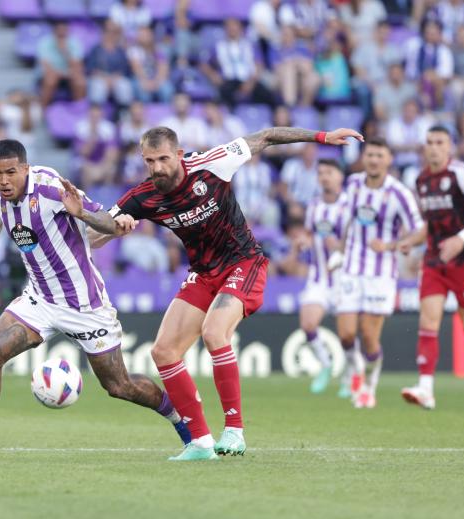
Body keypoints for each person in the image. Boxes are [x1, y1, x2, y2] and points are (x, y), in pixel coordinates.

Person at [94, 125, 363, 460]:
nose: (157, 167)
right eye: (150, 161)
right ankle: (201, 442)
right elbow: (98, 232)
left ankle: (234, 431)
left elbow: (265, 136)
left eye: (163, 158)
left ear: (179, 154)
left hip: (244, 263)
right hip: (204, 273)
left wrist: (321, 137)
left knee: (214, 332)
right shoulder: (143, 196)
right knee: (163, 351)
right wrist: (114, 228)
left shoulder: (212, 163)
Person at [0, 139, 191, 461]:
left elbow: (107, 222)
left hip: (84, 306)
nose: (4, 180)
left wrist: (82, 214)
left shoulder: (51, 188)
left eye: (10, 172)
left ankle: (183, 421)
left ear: (25, 168)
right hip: (40, 299)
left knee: (120, 386)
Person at [400, 126, 464, 411]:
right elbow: (430, 225)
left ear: (449, 147)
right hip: (434, 260)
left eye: (439, 142)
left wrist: (461, 239)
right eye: (429, 142)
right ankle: (426, 389)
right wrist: (407, 241)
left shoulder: (462, 174)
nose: (433, 147)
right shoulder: (421, 180)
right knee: (428, 321)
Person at [335, 139, 425, 409]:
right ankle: (356, 370)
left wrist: (391, 245)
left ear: (389, 160)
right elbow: (348, 221)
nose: (373, 160)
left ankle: (369, 387)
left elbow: (420, 229)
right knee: (346, 335)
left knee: (369, 336)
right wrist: (339, 251)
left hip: (381, 273)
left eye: (379, 155)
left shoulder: (399, 193)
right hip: (351, 268)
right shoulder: (352, 183)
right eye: (370, 154)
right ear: (364, 158)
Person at [297, 159, 349, 396]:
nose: (324, 177)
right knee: (308, 324)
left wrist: (338, 246)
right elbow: (308, 232)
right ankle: (326, 365)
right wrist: (303, 241)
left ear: (340, 176)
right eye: (321, 173)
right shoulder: (315, 205)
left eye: (329, 172)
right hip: (318, 277)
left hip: (345, 279)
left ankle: (350, 376)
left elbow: (358, 242)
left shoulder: (350, 205)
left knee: (347, 333)